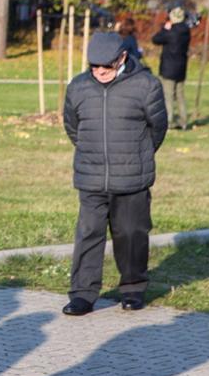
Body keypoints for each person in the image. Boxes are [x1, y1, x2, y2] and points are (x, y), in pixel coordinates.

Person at [62, 32, 168, 317]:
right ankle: (83, 294)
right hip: (91, 177)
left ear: (122, 58)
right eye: (94, 66)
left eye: (106, 66)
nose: (99, 72)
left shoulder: (147, 85)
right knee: (88, 235)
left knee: (132, 234)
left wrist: (137, 155)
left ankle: (133, 289)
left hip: (132, 176)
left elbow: (157, 129)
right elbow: (73, 128)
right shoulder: (78, 87)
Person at [151, 7, 192, 129]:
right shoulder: (186, 31)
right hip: (181, 68)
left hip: (168, 68)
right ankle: (184, 121)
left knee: (167, 95)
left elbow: (155, 39)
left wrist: (164, 28)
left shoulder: (171, 32)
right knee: (180, 95)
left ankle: (168, 121)